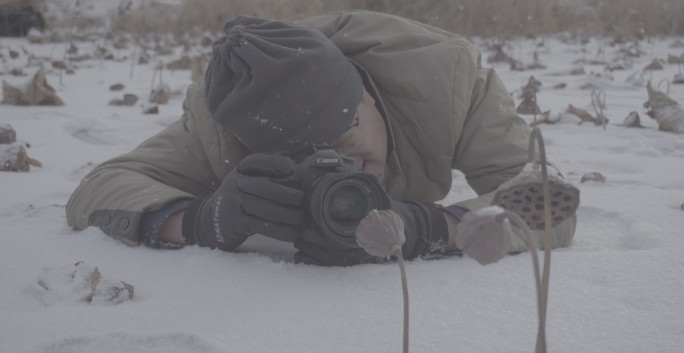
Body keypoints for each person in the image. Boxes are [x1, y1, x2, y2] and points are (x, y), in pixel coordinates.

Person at [66, 10, 577, 266]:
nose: (343, 164)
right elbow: (102, 187)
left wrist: (433, 226)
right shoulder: (224, 127)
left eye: (345, 131)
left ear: (368, 94)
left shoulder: (447, 81)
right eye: (307, 154)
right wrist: (202, 220)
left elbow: (547, 195)